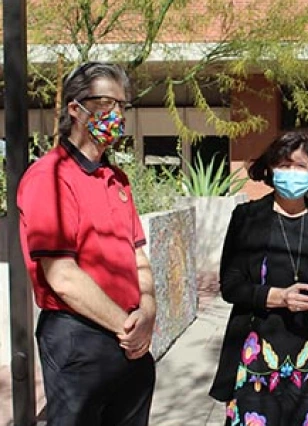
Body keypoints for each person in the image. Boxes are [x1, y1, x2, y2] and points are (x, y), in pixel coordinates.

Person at [18, 62, 156, 425]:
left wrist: (149, 309)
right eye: (106, 103)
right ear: (75, 109)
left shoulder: (117, 178)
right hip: (79, 338)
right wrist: (128, 327)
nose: (117, 114)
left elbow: (137, 254)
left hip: (128, 339)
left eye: (123, 105)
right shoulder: (49, 178)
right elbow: (62, 276)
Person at [209, 131, 308, 425]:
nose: (291, 173)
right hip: (255, 348)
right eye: (283, 165)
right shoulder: (247, 217)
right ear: (270, 169)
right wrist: (279, 297)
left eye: (299, 166)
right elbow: (230, 285)